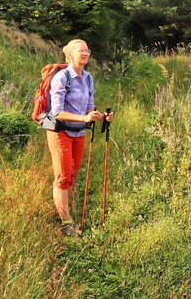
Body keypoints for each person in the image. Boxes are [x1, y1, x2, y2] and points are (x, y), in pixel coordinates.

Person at [46, 39, 112, 236]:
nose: (85, 54)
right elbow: (57, 112)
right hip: (60, 131)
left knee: (73, 174)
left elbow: (89, 105)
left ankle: (67, 209)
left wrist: (99, 116)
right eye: (81, 51)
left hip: (79, 131)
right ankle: (67, 222)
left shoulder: (88, 78)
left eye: (87, 50)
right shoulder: (62, 78)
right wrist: (83, 118)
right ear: (70, 55)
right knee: (63, 176)